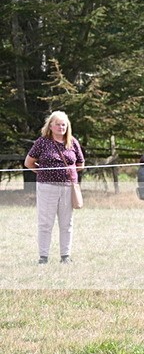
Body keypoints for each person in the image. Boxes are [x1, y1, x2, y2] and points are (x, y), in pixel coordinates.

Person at [24, 111, 85, 264]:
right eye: (57, 124)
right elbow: (28, 163)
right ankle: (43, 257)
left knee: (66, 223)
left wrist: (68, 173)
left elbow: (80, 164)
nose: (61, 127)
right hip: (47, 187)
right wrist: (44, 173)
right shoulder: (42, 142)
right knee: (45, 223)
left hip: (67, 188)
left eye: (63, 124)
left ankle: (65, 256)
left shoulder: (72, 142)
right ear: (50, 126)